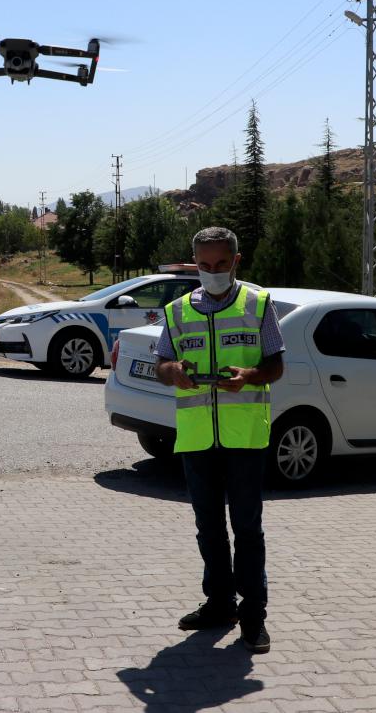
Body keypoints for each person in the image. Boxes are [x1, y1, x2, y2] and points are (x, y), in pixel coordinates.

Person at [153, 227, 284, 654]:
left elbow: (275, 366)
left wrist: (250, 377)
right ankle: (219, 604)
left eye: (221, 265)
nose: (212, 273)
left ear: (236, 261)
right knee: (208, 527)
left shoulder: (258, 304)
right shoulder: (175, 312)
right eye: (204, 267)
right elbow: (162, 364)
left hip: (244, 435)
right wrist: (173, 371)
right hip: (196, 438)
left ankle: (253, 616)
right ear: (195, 265)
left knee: (246, 528)